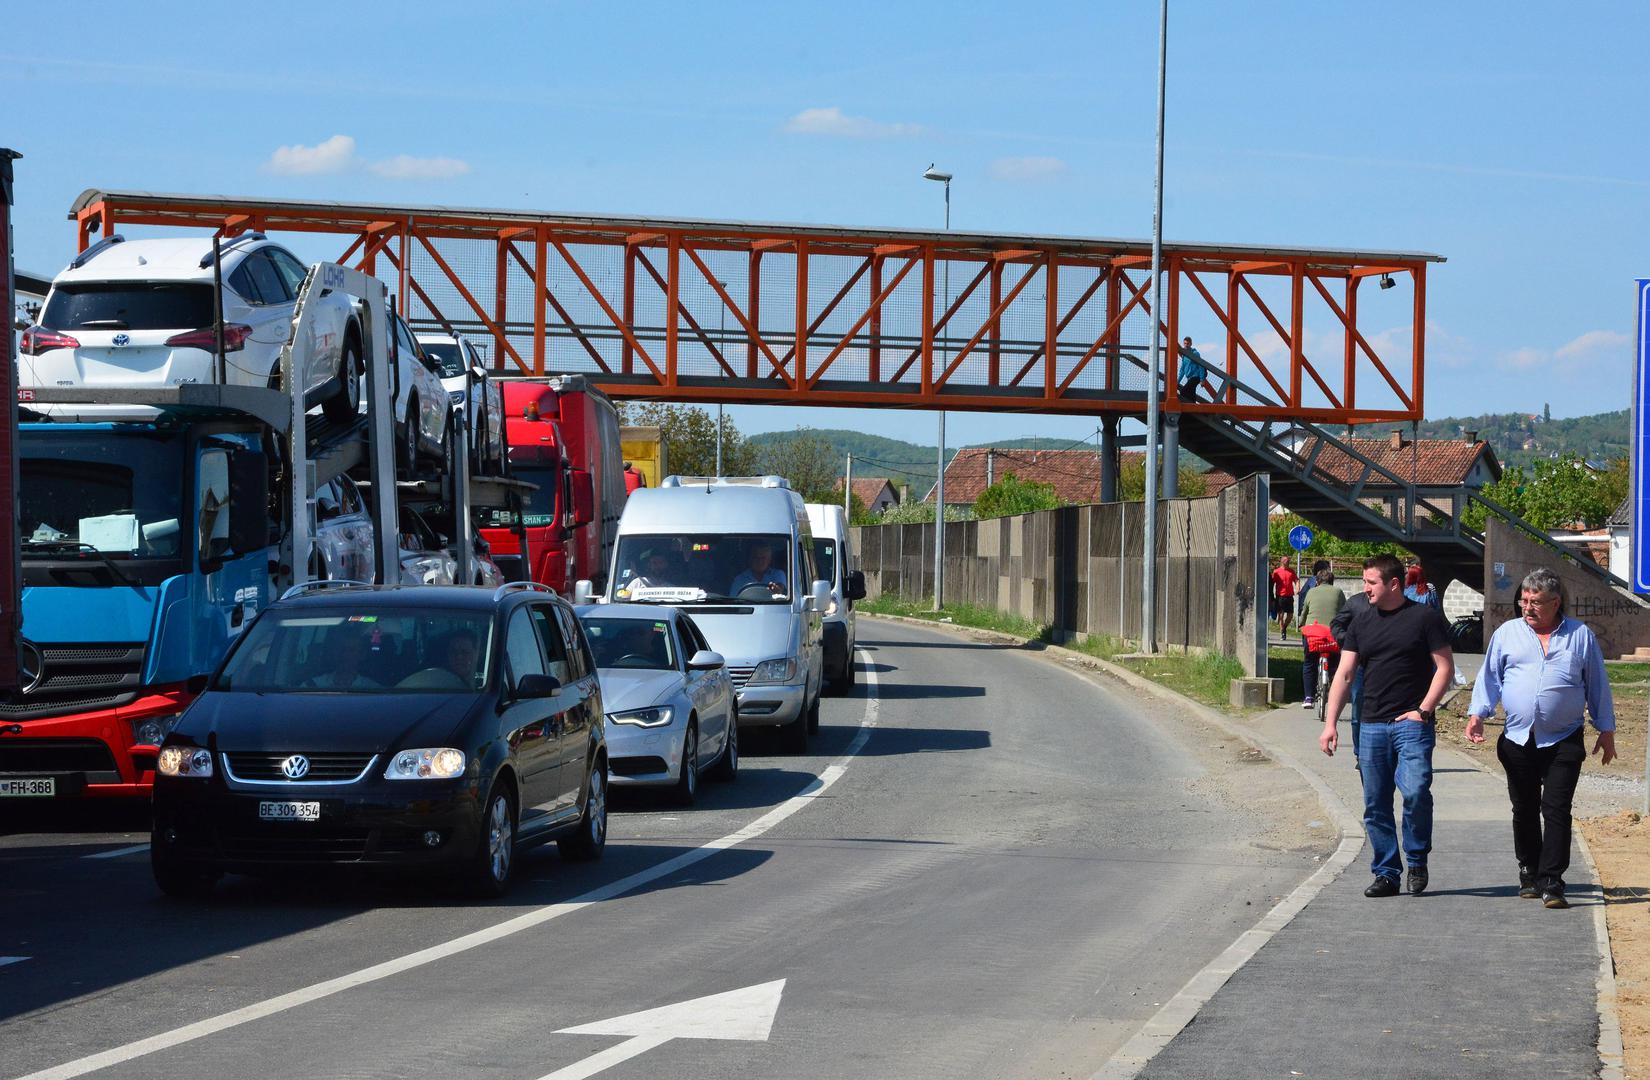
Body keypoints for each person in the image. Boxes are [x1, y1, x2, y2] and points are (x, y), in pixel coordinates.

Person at [1466, 568, 1616, 909]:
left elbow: (1597, 685)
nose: (1527, 607)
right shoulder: (1507, 634)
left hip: (1564, 739)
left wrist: (1606, 730)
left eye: (1535, 602)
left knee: (1556, 808)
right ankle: (1529, 871)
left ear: (1555, 602)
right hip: (1518, 740)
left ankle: (1552, 881)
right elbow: (1489, 679)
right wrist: (1478, 716)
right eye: (1524, 600)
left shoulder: (1579, 636)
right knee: (1525, 807)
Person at [1320, 552, 1454, 898]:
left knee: (1415, 791)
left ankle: (1417, 858)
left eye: (1371, 582)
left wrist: (1424, 710)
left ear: (1394, 584)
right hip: (1372, 726)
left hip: (1412, 723)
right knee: (1376, 804)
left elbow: (1444, 668)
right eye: (1364, 582)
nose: (1364, 588)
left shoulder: (1424, 618)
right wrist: (1330, 723)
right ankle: (1387, 873)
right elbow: (1345, 674)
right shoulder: (1361, 622)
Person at [1298, 567, 1346, 710]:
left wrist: (1301, 624)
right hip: (1332, 634)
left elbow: (1304, 612)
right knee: (1335, 664)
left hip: (1313, 634)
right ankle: (1334, 694)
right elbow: (1345, 611)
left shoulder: (1311, 592)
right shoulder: (1338, 592)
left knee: (1309, 663)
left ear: (1317, 581)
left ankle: (1308, 697)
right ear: (1332, 581)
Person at [304, 632, 381, 691]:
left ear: (362, 655)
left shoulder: (373, 689)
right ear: (335, 653)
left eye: (351, 650)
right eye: (342, 649)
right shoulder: (312, 686)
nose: (345, 654)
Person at [1270, 557, 1299, 638]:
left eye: (1288, 561)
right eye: (1286, 561)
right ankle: (1282, 633)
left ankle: (1284, 627)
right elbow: (1272, 583)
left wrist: (1297, 587)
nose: (1288, 562)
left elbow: (1296, 580)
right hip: (1280, 596)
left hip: (1289, 596)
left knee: (1290, 615)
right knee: (1281, 615)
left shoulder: (1291, 571)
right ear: (1282, 562)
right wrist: (1271, 594)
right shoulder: (1277, 571)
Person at [1176, 336, 1208, 402]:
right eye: (1185, 343)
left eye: (1187, 343)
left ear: (1191, 344)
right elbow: (1182, 370)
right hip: (1189, 377)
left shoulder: (1195, 353)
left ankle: (1187, 404)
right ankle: (1193, 405)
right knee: (1191, 392)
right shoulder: (1184, 355)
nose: (1186, 345)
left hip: (1196, 376)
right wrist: (1177, 381)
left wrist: (1202, 379)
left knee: (1184, 391)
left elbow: (1201, 366)